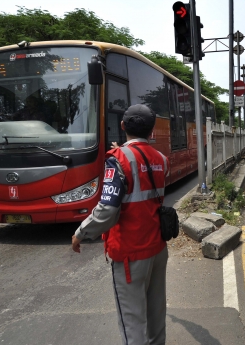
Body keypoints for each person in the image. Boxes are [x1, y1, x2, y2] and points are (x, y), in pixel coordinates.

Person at [71, 104, 169, 345]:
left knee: (132, 322)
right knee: (156, 315)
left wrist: (81, 232)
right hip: (157, 247)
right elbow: (141, 170)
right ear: (152, 129)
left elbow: (107, 211)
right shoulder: (162, 159)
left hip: (129, 253)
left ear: (123, 126)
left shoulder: (118, 160)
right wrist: (122, 153)